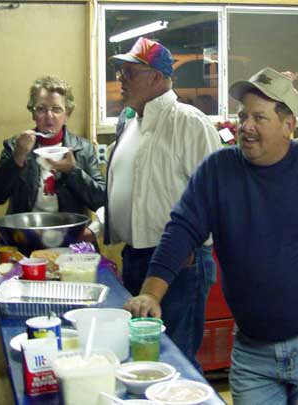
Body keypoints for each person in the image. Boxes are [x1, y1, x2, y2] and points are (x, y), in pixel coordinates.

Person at [124, 66, 298, 404]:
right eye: (243, 116)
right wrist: (151, 293)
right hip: (251, 351)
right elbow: (181, 230)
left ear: (288, 125)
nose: (246, 126)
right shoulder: (218, 171)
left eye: (259, 117)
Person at [106, 37, 222, 370]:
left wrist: (189, 248)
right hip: (135, 256)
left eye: (130, 72)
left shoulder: (189, 123)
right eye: (121, 71)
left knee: (174, 360)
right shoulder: (131, 123)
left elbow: (214, 199)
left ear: (157, 77)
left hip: (181, 265)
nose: (121, 79)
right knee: (142, 356)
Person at [0, 75, 105, 242]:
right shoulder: (15, 146)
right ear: (33, 114)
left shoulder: (83, 149)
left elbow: (100, 200)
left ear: (67, 114)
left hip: (69, 240)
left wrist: (72, 171)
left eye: (56, 109)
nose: (49, 116)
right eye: (41, 109)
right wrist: (17, 158)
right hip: (24, 239)